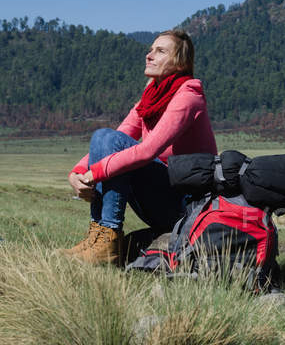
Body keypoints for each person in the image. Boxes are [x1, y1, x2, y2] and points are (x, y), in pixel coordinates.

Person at [62, 29, 217, 265]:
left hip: (188, 206)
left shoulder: (188, 95)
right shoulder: (151, 97)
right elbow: (117, 136)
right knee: (104, 136)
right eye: (151, 49)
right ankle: (98, 236)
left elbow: (148, 151)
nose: (149, 55)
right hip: (164, 196)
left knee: (110, 141)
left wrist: (96, 173)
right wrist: (77, 173)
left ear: (180, 62)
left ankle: (109, 235)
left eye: (160, 51)